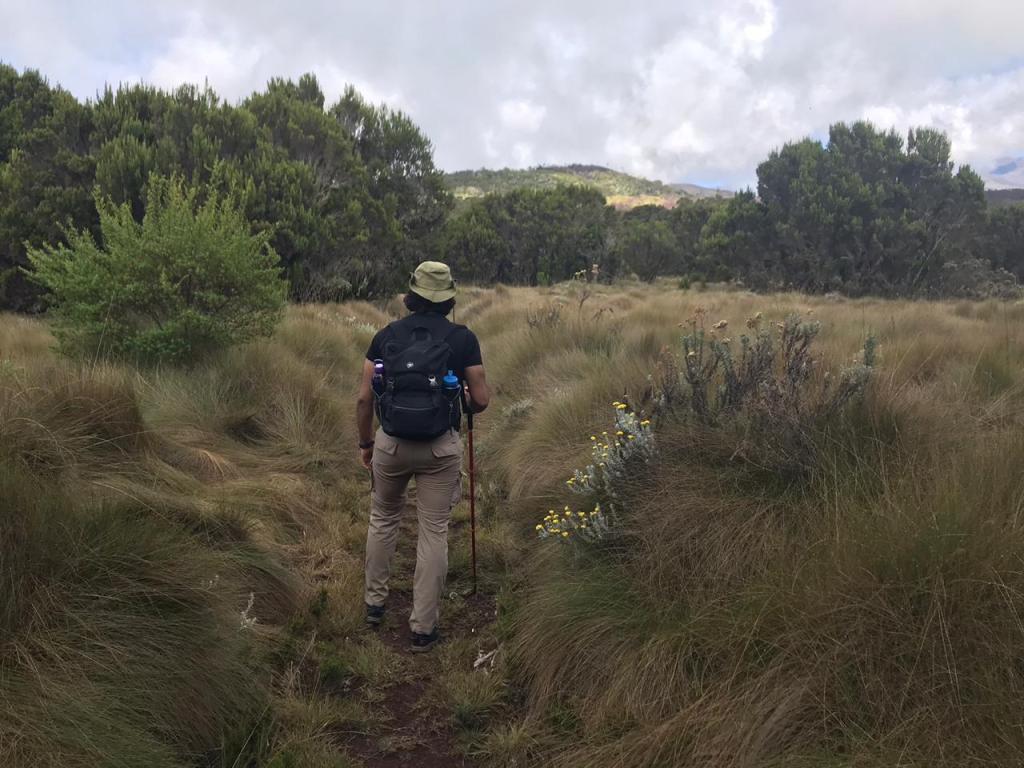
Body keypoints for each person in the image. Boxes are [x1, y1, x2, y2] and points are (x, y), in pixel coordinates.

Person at [355, 261, 490, 653]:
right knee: (433, 530)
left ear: (411, 295)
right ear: (449, 297)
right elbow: (480, 400)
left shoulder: (385, 337)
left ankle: (374, 605)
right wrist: (454, 397)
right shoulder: (463, 339)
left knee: (382, 518)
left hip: (391, 444)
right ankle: (423, 628)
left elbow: (365, 398)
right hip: (439, 449)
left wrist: (366, 445)